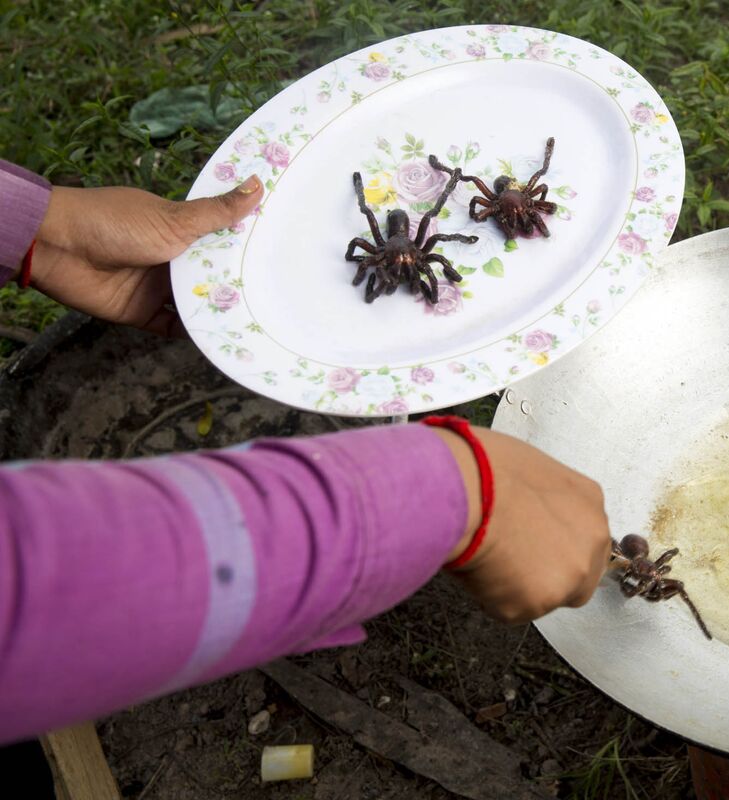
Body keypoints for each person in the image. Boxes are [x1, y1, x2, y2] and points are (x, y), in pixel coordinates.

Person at [0, 159, 613, 744]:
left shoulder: (413, 248)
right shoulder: (385, 249)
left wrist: (40, 228)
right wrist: (448, 488)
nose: (399, 272)